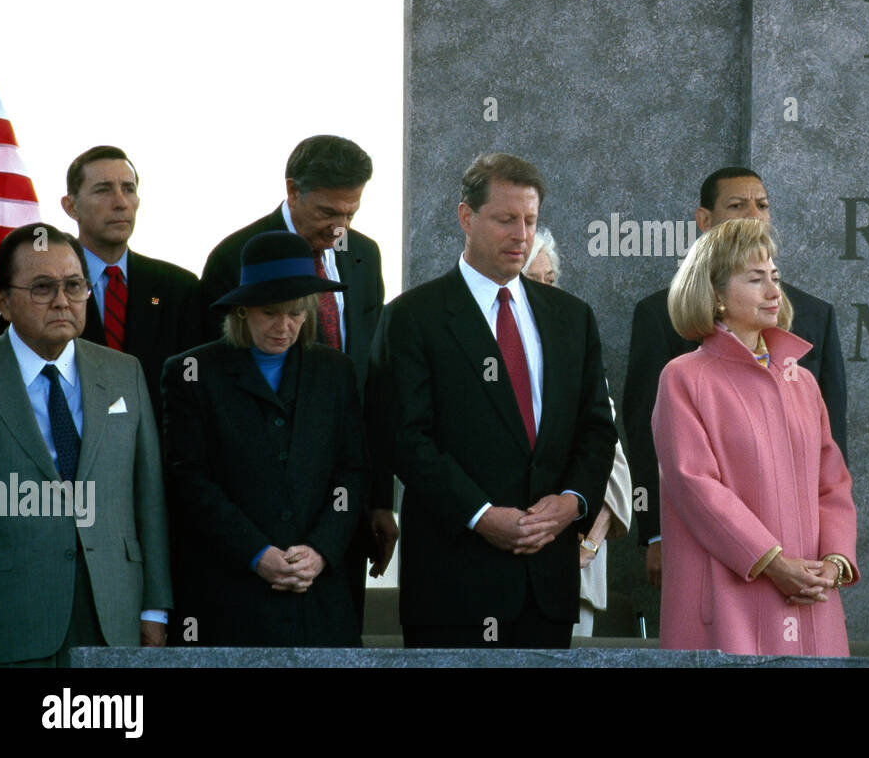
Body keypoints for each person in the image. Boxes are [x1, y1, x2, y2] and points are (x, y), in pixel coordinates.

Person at [365, 153, 616, 648]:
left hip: (546, 584)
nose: (521, 234)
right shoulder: (412, 318)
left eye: (530, 220)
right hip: (454, 583)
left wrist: (572, 503)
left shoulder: (571, 317)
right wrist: (480, 514)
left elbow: (596, 428)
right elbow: (405, 438)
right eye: (506, 219)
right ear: (466, 217)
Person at [199, 135, 394, 630]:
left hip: (341, 512)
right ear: (292, 190)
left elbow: (372, 385)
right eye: (329, 211)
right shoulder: (235, 259)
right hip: (257, 522)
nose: (339, 227)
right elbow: (213, 403)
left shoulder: (364, 255)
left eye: (351, 213)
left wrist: (377, 499)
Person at [624, 166, 848, 588]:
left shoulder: (816, 315)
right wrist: (655, 530)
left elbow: (831, 450)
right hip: (713, 553)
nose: (752, 214)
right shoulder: (662, 324)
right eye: (737, 204)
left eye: (761, 205)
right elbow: (646, 436)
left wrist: (832, 555)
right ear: (704, 220)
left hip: (805, 552)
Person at [652, 219, 857, 656]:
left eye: (775, 278)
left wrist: (835, 563)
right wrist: (773, 562)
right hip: (730, 602)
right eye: (755, 278)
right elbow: (695, 486)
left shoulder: (801, 381)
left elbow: (833, 484)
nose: (773, 291)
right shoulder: (683, 378)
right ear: (717, 295)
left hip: (810, 600)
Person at [162, 231, 367, 646]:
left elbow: (352, 471)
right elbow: (190, 480)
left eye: (296, 313)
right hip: (229, 599)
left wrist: (321, 550)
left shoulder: (335, 371)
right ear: (241, 311)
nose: (285, 326)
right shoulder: (192, 372)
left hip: (320, 600)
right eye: (270, 313)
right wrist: (257, 553)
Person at [0, 223, 172, 665]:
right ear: (2, 301)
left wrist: (154, 607)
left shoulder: (124, 371)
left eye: (74, 285)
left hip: (114, 609)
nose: (61, 300)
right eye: (41, 287)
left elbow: (147, 496)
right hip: (11, 613)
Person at [523, 228, 632, 637]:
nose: (546, 291)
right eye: (534, 281)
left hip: (576, 555)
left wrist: (589, 544)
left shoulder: (573, 344)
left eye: (550, 280)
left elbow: (612, 458)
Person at [60, 146, 202, 431]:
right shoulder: (47, 290)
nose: (120, 202)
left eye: (128, 189)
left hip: (162, 457)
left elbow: (196, 384)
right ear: (71, 206)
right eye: (103, 190)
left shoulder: (179, 288)